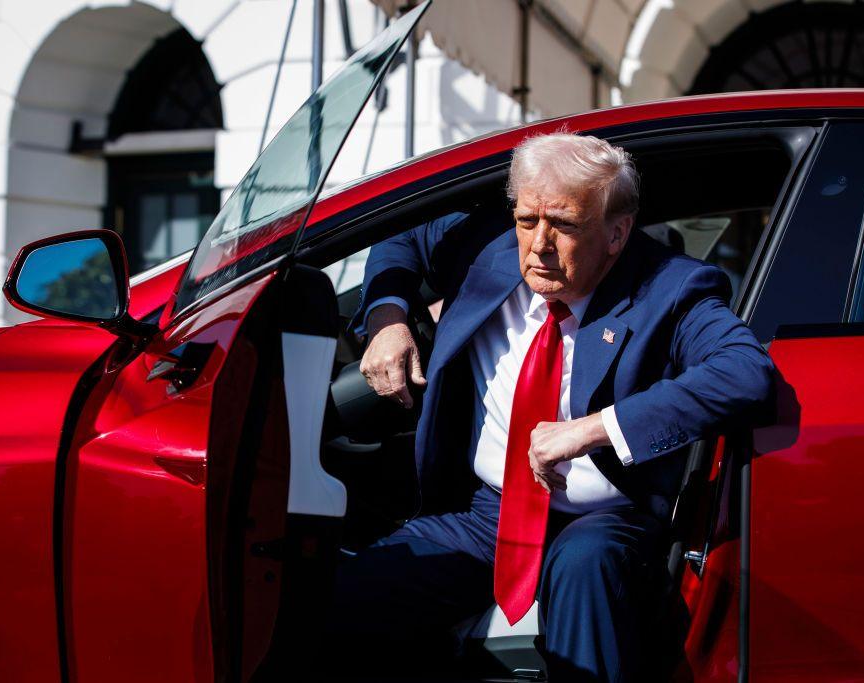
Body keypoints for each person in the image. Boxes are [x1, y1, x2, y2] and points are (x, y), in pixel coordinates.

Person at [330, 132, 774, 682]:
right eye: (526, 220)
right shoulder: (488, 250)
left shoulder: (672, 288)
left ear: (617, 233)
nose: (539, 244)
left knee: (585, 570)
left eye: (563, 225)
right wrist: (387, 318)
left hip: (605, 516)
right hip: (490, 512)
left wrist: (593, 429)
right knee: (346, 604)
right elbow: (401, 232)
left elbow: (745, 373)